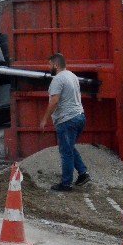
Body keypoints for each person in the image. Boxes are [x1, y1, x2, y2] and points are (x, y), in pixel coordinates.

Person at [39, 53, 89, 192]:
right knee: (70, 147)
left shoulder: (58, 79)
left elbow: (54, 101)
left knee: (66, 151)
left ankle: (66, 184)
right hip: (79, 117)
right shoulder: (72, 76)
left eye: (49, 65)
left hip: (67, 120)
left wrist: (44, 119)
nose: (48, 67)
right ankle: (83, 174)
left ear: (55, 65)